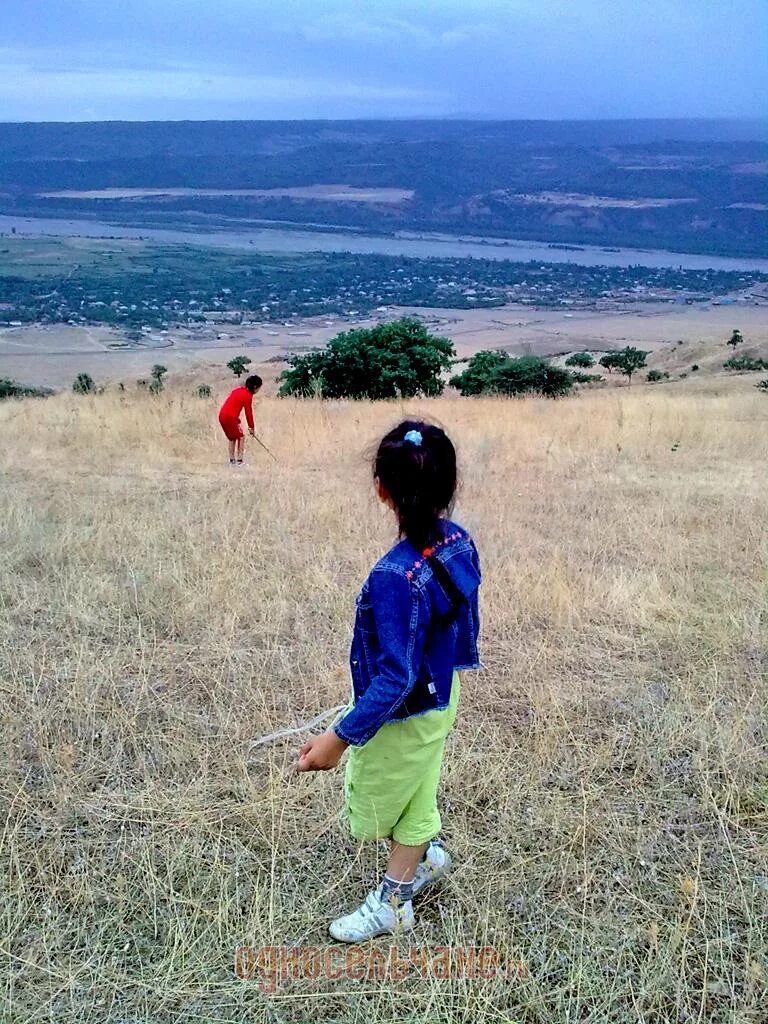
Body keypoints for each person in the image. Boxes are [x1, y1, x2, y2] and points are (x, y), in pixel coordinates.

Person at [297, 419, 482, 942]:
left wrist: (338, 738)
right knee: (420, 789)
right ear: (450, 485)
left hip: (405, 713)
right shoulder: (459, 543)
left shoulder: (393, 576)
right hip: (443, 695)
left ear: (382, 490)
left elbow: (395, 680)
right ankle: (421, 859)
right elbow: (461, 623)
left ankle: (394, 902)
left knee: (383, 802)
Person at [218, 375, 262, 466]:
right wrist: (252, 427)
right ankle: (240, 461)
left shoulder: (237, 390)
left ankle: (232, 461)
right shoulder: (248, 396)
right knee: (241, 437)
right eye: (259, 388)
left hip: (222, 416)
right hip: (230, 418)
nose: (258, 391)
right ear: (255, 387)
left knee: (232, 438)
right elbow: (248, 413)